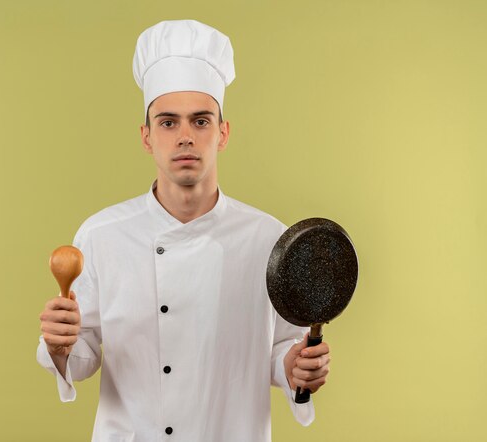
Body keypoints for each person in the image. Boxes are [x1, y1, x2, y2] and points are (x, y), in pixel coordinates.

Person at [37, 19, 331, 441]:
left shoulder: (270, 240)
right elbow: (82, 358)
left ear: (223, 133)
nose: (185, 137)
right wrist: (60, 345)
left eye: (201, 121)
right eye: (168, 122)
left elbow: (283, 347)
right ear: (146, 136)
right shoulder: (101, 236)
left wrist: (297, 367)